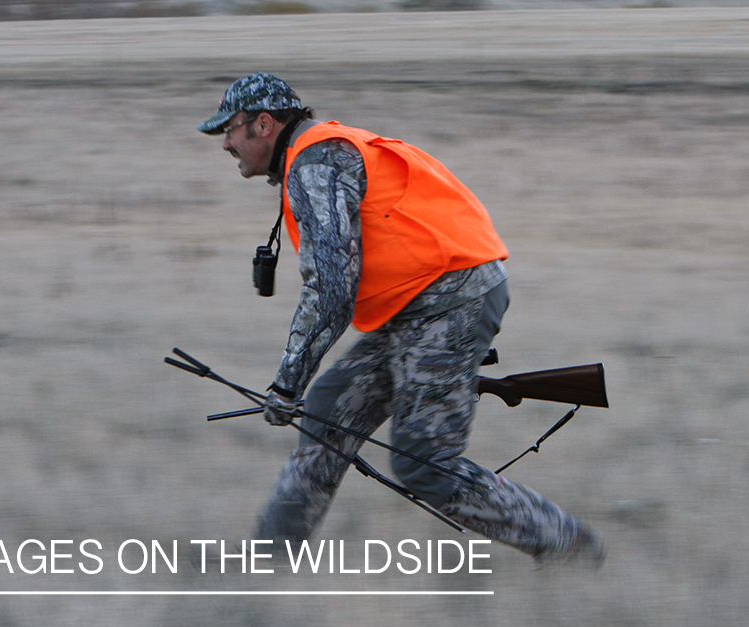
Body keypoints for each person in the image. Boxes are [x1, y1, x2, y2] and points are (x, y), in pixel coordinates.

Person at [198, 72, 603, 567]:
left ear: (264, 125)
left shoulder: (316, 163)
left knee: (425, 462)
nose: (226, 143)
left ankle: (567, 543)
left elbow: (331, 290)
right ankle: (269, 564)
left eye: (230, 129)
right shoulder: (318, 155)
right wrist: (299, 386)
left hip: (450, 300)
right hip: (419, 303)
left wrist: (286, 384)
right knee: (328, 411)